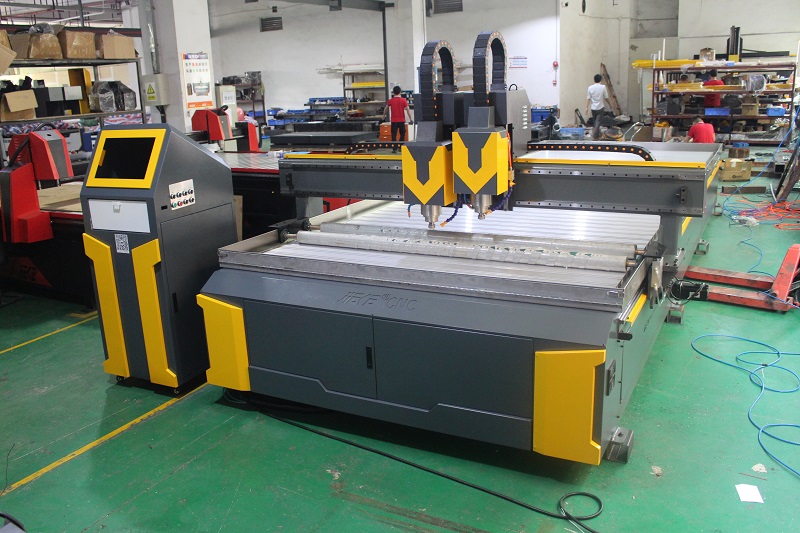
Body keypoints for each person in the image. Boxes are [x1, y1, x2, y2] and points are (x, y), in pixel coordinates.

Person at [383, 86, 413, 152]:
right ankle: (400, 146)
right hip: (401, 120)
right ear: (400, 92)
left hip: (394, 121)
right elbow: (408, 110)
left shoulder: (391, 101)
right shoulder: (403, 100)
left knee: (394, 135)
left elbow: (386, 109)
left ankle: (394, 148)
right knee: (402, 134)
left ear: (393, 92)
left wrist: (383, 115)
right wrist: (410, 119)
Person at [585, 74, 610, 140]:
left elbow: (588, 98)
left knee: (595, 122)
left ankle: (597, 135)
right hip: (600, 107)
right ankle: (594, 136)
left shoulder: (590, 88)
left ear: (594, 80)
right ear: (600, 80)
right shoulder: (603, 87)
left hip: (593, 108)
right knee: (598, 122)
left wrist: (586, 108)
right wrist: (609, 104)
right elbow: (606, 97)